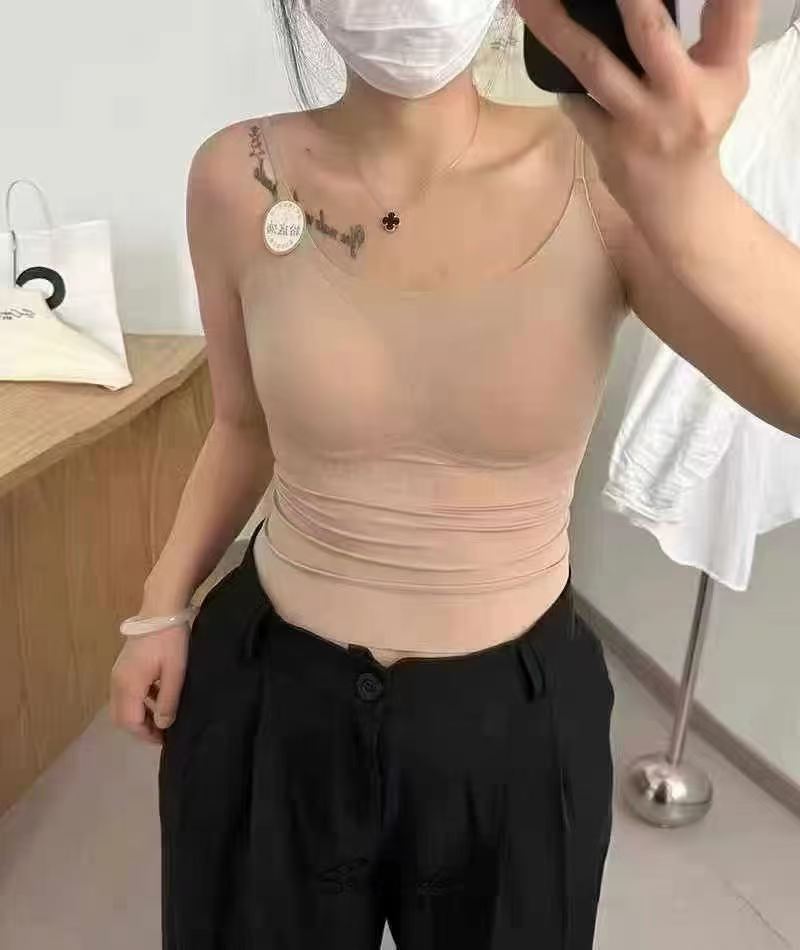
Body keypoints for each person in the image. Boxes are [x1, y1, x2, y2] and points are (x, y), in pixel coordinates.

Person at [110, 1, 800, 947]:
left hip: (512, 728)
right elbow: (240, 423)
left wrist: (691, 201)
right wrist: (161, 607)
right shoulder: (235, 176)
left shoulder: (604, 174)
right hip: (271, 696)